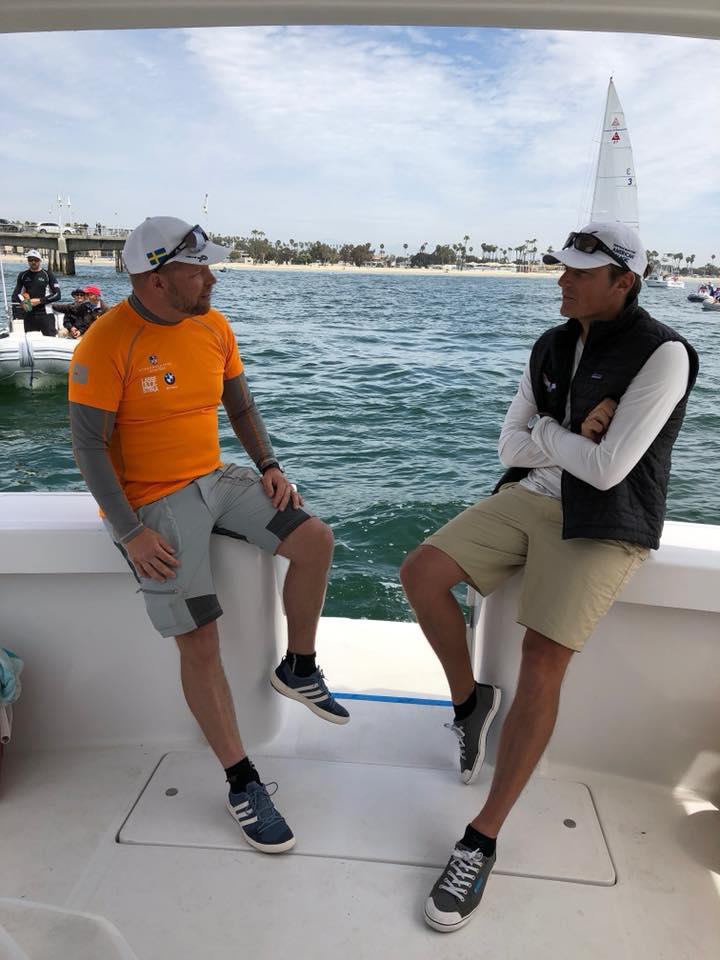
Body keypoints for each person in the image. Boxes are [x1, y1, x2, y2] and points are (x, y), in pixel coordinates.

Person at [400, 221, 698, 933]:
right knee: (421, 573)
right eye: (561, 268)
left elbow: (607, 470)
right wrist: (573, 433)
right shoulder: (552, 345)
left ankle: (483, 838)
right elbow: (510, 441)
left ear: (623, 283)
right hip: (530, 497)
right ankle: (471, 703)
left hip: (605, 520)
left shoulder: (664, 356)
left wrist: (554, 438)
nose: (561, 280)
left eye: (579, 272)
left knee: (542, 660)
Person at [68, 216, 348, 855]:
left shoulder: (214, 326)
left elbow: (240, 406)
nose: (213, 278)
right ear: (158, 278)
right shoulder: (107, 342)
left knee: (314, 540)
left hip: (217, 479)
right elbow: (86, 445)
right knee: (200, 639)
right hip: (152, 504)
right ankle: (242, 780)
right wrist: (131, 532)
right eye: (199, 269)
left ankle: (299, 666)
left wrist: (271, 466)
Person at [10, 250, 61, 336]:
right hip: (29, 314)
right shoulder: (23, 275)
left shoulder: (48, 275)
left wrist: (40, 300)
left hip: (46, 314)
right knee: (30, 342)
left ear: (40, 260)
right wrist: (24, 302)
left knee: (50, 340)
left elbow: (57, 295)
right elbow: (15, 295)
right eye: (30, 260)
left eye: (36, 260)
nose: (33, 262)